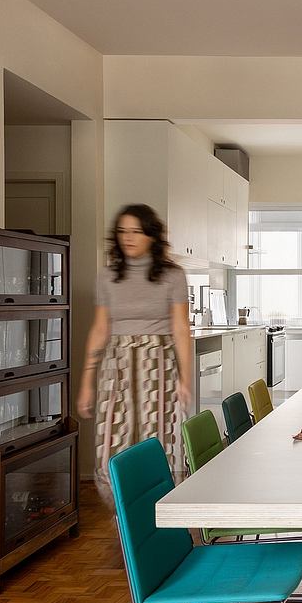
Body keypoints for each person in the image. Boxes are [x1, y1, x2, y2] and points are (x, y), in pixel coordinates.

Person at [77, 204, 193, 489]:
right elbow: (100, 328)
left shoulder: (173, 275)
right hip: (115, 364)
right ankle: (123, 511)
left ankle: (159, 505)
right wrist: (86, 383)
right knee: (112, 441)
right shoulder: (107, 276)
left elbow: (180, 328)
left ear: (151, 236)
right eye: (122, 232)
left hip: (158, 364)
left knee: (158, 438)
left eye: (135, 232)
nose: (127, 238)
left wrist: (185, 379)